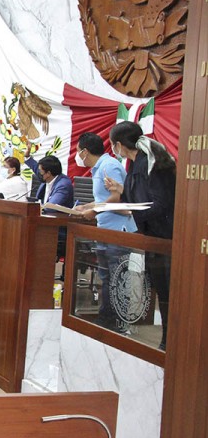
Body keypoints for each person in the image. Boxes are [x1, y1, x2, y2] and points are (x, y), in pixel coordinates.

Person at [105, 121, 176, 350]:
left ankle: (170, 341)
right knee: (161, 290)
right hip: (150, 237)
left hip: (166, 237)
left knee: (168, 292)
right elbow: (136, 201)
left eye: (113, 146)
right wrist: (120, 192)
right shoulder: (134, 165)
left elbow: (161, 204)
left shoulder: (153, 164)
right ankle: (167, 340)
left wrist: (133, 208)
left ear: (118, 144)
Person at [73, 132, 137, 333]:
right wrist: (86, 206)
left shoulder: (109, 166)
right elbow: (104, 198)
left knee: (117, 278)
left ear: (85, 151)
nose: (78, 155)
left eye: (78, 151)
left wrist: (94, 210)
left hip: (119, 230)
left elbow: (117, 197)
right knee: (107, 276)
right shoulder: (98, 168)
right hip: (105, 230)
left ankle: (118, 324)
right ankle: (106, 319)